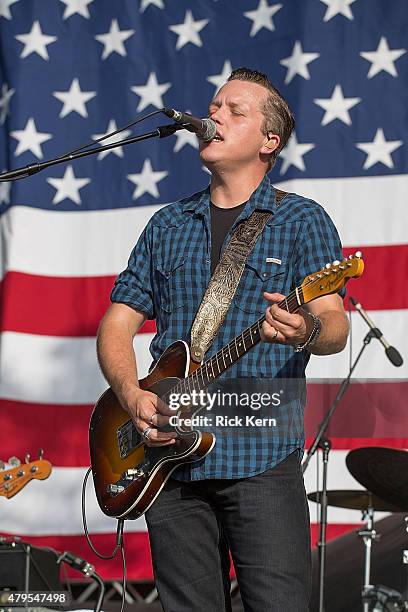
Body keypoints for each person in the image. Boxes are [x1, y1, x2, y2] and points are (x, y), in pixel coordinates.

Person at [97, 68, 349, 612]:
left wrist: (305, 329)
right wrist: (129, 394)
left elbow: (336, 326)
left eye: (236, 111)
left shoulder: (301, 220)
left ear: (268, 141)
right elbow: (117, 325)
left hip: (260, 456)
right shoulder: (168, 224)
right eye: (214, 107)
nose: (215, 117)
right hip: (168, 463)